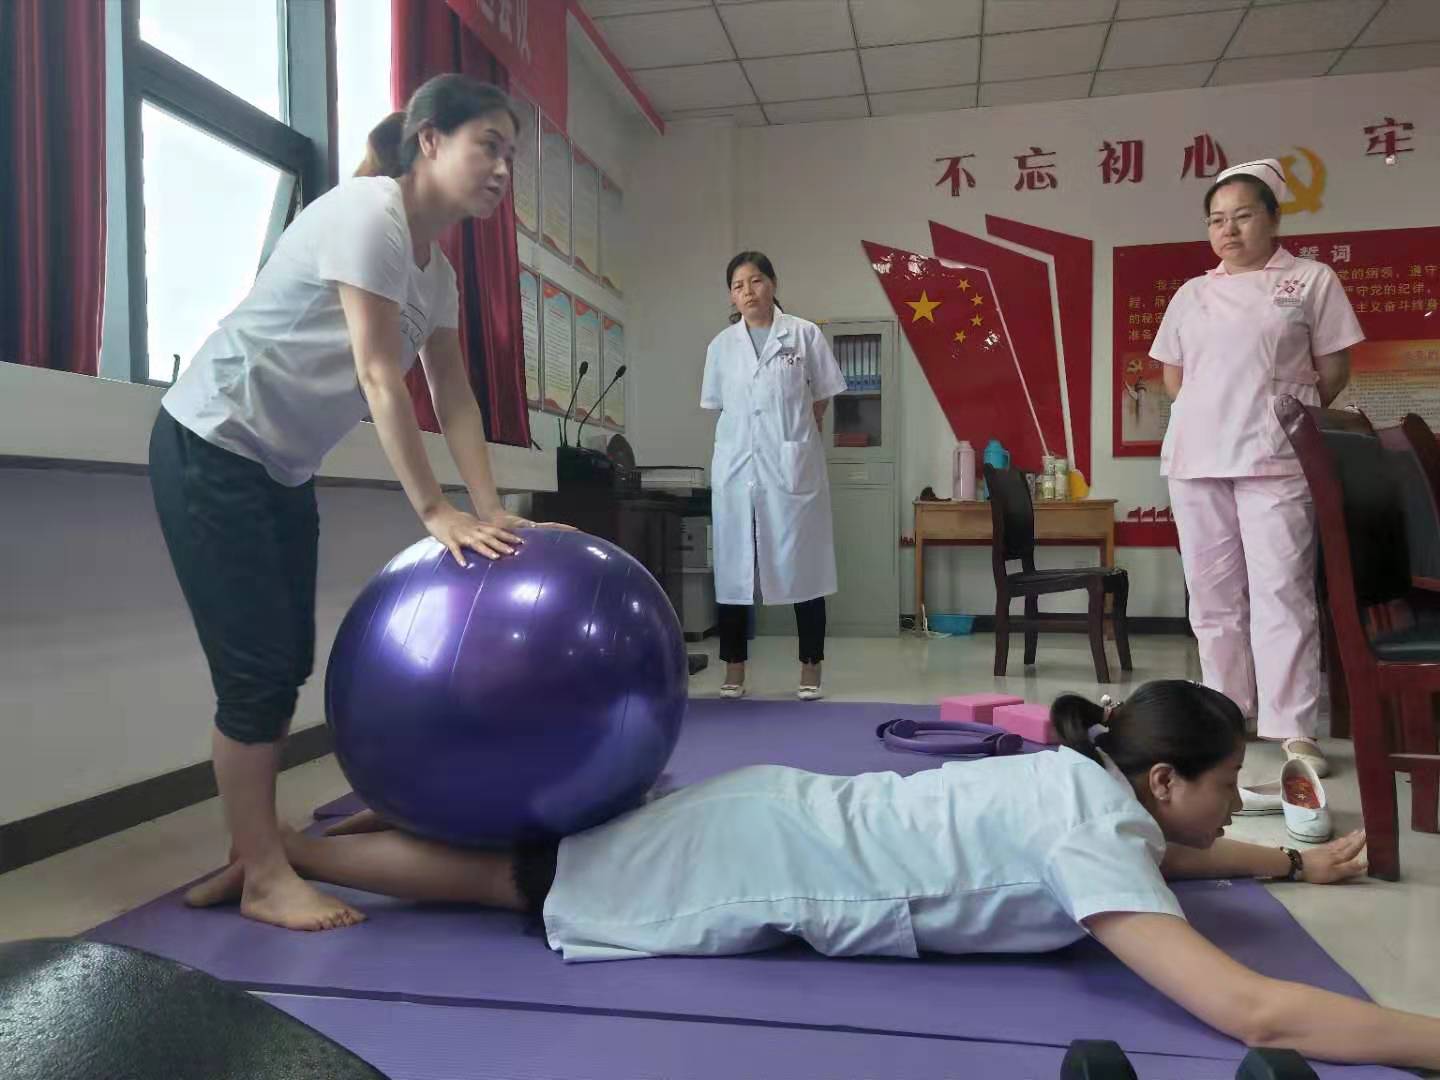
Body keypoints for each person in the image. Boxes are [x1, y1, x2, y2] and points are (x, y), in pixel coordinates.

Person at [188, 679, 1440, 1068]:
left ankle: (294, 839)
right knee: (513, 881)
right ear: (1162, 781)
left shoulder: (1088, 781)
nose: (1231, 803)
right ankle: (277, 850)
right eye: (1229, 782)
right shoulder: (1096, 837)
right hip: (754, 860)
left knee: (533, 856)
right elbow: (1252, 1012)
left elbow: (1183, 851)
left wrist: (1294, 865)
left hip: (775, 809)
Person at [154, 74, 565, 933]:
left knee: (285, 666)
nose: (502, 169)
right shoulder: (370, 215)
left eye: (510, 155)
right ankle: (265, 874)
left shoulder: (437, 273)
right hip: (212, 440)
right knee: (257, 674)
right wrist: (436, 514)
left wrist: (489, 507)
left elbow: (454, 394)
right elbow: (382, 376)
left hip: (278, 466)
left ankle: (252, 855)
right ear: (430, 140)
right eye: (489, 145)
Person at [1152, 159, 1364, 778]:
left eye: (1243, 216)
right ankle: (1228, 711)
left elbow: (1333, 370)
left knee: (1282, 590)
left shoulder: (1310, 279)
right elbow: (1174, 377)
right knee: (1212, 594)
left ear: (1273, 219)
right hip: (1197, 458)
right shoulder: (1191, 294)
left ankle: (1293, 726)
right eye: (1217, 220)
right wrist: (1212, 415)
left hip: (1275, 458)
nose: (1229, 230)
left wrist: (1279, 414)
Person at [700, 252, 847, 701]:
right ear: (731, 295)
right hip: (738, 468)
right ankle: (734, 667)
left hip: (790, 467)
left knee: (805, 566)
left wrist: (803, 429)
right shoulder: (721, 346)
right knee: (734, 567)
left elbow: (823, 392)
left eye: (756, 281)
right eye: (738, 285)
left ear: (773, 284)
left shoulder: (803, 334)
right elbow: (719, 405)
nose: (748, 291)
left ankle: (811, 665)